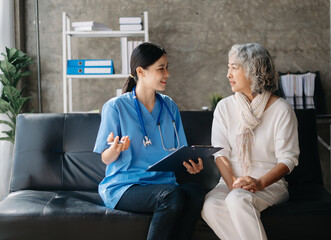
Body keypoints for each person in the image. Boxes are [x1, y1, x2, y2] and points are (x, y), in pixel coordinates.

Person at [94, 42, 205, 240]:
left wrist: (191, 164)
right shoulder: (116, 107)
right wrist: (116, 149)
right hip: (125, 187)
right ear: (141, 71)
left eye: (167, 67)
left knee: (196, 193)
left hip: (164, 184)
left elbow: (180, 151)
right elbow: (105, 158)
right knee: (172, 196)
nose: (167, 74)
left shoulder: (169, 106)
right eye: (161, 69)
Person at [201, 43, 300, 240]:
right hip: (230, 182)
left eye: (234, 67)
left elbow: (288, 160)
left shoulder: (281, 110)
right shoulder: (224, 107)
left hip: (269, 184)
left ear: (254, 70)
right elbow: (219, 153)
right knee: (210, 205)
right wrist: (233, 184)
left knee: (238, 200)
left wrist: (260, 182)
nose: (228, 74)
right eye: (228, 67)